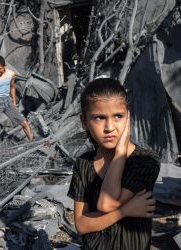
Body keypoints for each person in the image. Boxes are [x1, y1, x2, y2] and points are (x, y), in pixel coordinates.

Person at [67, 78, 160, 250]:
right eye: (99, 118)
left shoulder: (145, 160)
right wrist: (124, 211)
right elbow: (81, 224)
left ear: (128, 117)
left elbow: (105, 204)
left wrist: (120, 154)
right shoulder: (84, 164)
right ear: (84, 121)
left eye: (118, 116)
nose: (109, 127)